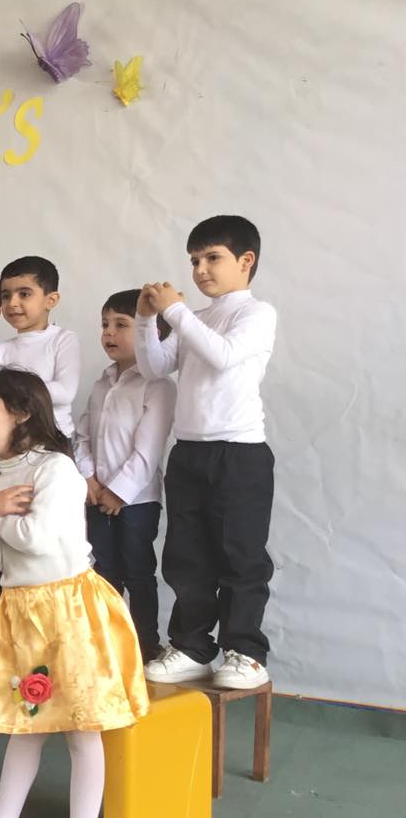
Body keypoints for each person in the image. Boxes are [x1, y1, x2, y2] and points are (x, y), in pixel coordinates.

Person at [0, 369, 148, 818]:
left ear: (21, 412)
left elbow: (39, 538)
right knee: (26, 725)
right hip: (20, 612)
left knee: (82, 729)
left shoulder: (57, 469)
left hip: (69, 610)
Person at [134, 215, 276, 690]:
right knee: (186, 556)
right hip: (190, 451)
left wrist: (175, 311)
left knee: (241, 556)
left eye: (212, 258)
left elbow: (222, 355)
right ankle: (193, 647)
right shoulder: (196, 317)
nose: (200, 270)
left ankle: (245, 653)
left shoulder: (257, 313)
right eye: (194, 260)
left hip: (239, 454)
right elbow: (154, 367)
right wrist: (146, 319)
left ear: (246, 260)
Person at [75, 291, 177, 660]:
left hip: (137, 502)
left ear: (153, 334)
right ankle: (107, 646)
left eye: (121, 325)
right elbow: (82, 436)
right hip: (96, 496)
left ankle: (145, 645)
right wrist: (88, 478)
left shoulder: (159, 386)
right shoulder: (101, 384)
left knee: (138, 572)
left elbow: (148, 450)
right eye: (105, 324)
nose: (109, 333)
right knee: (102, 572)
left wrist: (118, 492)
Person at [0, 256, 81, 439]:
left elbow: (65, 392)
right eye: (6, 296)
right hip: (12, 441)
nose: (12, 303)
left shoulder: (63, 339)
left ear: (51, 300)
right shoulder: (0, 350)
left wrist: (6, 381)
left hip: (54, 439)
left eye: (24, 294)